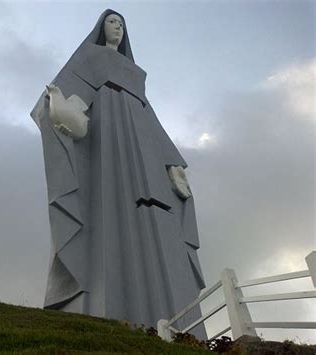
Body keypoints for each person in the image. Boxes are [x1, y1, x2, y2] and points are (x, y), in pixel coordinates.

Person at [31, 9, 206, 338]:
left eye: (122, 24)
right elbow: (69, 100)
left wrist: (173, 164)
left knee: (157, 218)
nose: (118, 28)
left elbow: (152, 121)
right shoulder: (92, 57)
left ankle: (177, 325)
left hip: (143, 145)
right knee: (110, 209)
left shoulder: (136, 74)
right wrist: (59, 106)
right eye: (112, 22)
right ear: (101, 28)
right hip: (108, 139)